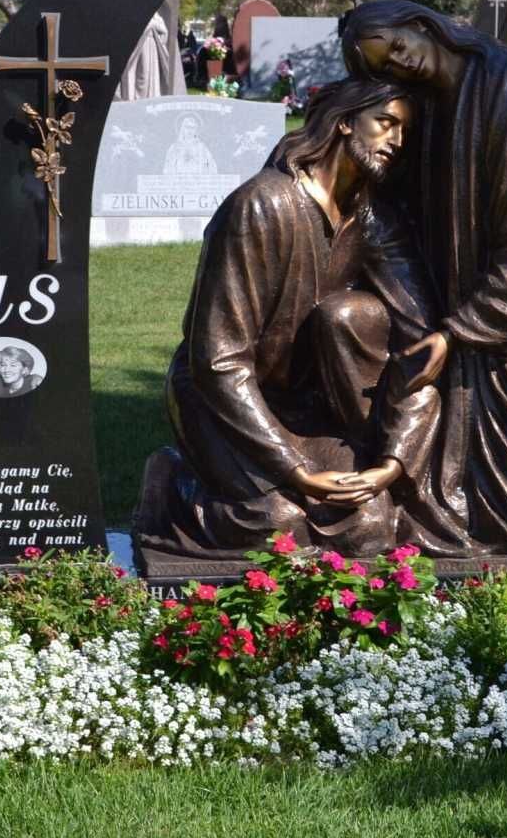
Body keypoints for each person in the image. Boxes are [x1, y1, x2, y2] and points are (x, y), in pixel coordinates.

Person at [340, 0, 507, 555]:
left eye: (395, 47)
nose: (400, 64)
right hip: (455, 304)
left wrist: (458, 331)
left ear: (418, 24)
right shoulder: (431, 105)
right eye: (384, 68)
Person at [136, 78, 441, 559]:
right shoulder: (260, 204)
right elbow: (216, 361)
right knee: (276, 528)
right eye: (385, 123)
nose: (396, 141)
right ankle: (173, 485)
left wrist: (392, 462)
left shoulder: (371, 219)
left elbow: (416, 344)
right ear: (343, 122)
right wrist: (295, 470)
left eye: (404, 130)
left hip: (307, 409)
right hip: (221, 403)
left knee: (369, 526)